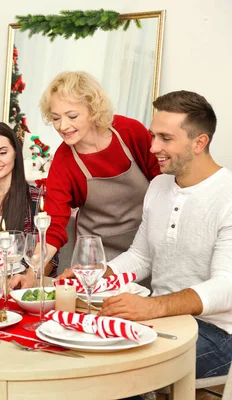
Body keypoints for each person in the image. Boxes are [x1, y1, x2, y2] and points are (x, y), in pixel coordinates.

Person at [64, 90, 232, 379]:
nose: (153, 147)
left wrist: (152, 307)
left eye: (166, 138)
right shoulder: (158, 187)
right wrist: (95, 273)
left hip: (218, 334)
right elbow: (141, 256)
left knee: (118, 372)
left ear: (199, 143)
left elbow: (226, 287)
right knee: (81, 354)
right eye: (153, 136)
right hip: (164, 320)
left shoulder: (226, 195)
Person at [11, 71, 160, 289]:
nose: (62, 126)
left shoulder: (130, 133)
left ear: (93, 110)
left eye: (72, 116)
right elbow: (52, 227)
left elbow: (163, 184)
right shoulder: (63, 162)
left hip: (146, 250)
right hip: (95, 258)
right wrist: (32, 272)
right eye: (55, 118)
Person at [0, 122, 59, 276]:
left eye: (2, 152)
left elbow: (50, 261)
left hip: (20, 286)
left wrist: (28, 280)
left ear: (15, 153)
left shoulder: (37, 198)